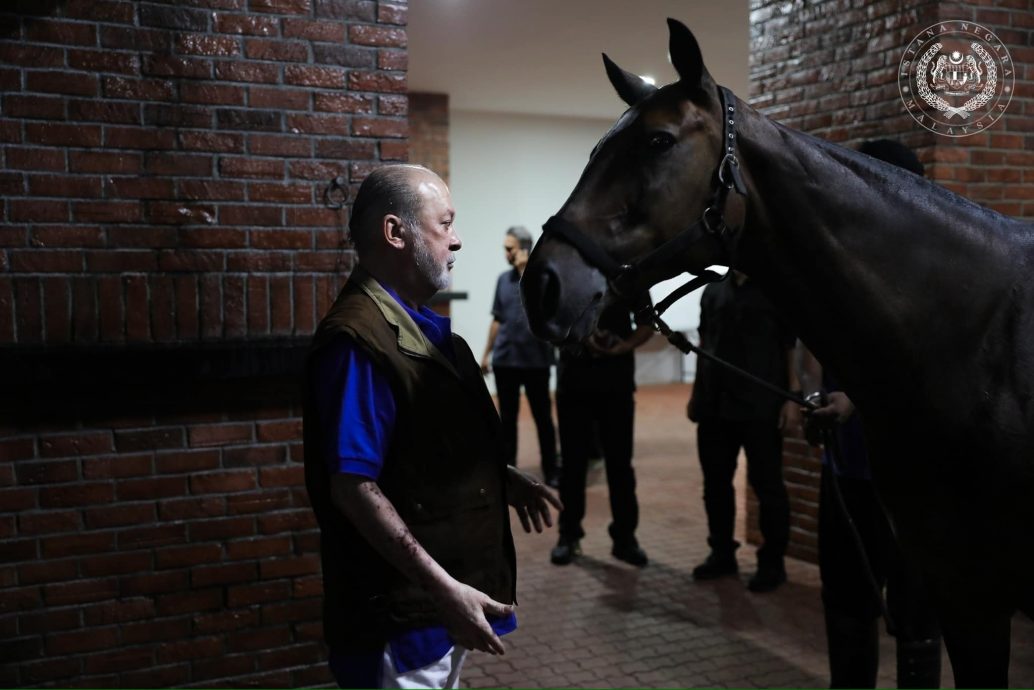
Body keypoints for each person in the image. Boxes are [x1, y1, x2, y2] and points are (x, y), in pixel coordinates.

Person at [302, 164, 562, 689]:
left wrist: (502, 476)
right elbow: (354, 487)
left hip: (434, 611)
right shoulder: (358, 341)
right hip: (401, 623)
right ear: (395, 232)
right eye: (445, 223)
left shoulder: (415, 326)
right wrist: (444, 588)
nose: (458, 239)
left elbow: (422, 448)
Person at [802, 139, 941, 689]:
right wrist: (813, 390)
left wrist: (856, 400)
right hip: (847, 469)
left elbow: (931, 357)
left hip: (914, 478)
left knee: (916, 610)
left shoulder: (931, 264)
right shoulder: (842, 259)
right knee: (846, 602)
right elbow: (812, 339)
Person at [687, 270, 799, 592]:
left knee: (768, 487)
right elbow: (704, 345)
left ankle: (772, 563)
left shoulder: (774, 289)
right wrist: (696, 394)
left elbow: (789, 347)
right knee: (715, 485)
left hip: (760, 406)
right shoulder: (712, 291)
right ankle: (722, 553)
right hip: (714, 406)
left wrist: (792, 399)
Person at [549, 299, 653, 567]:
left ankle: (625, 539)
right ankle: (569, 536)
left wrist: (624, 345)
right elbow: (549, 324)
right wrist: (583, 338)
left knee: (620, 466)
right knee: (573, 466)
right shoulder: (568, 272)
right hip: (574, 385)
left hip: (616, 384)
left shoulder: (629, 274)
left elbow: (647, 324)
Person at [480, 226, 560, 487]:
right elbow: (497, 319)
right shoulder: (503, 280)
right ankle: (509, 472)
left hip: (536, 360)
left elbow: (546, 313)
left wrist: (526, 272)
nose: (505, 253)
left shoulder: (542, 278)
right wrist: (486, 354)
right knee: (508, 421)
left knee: (543, 419)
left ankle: (552, 470)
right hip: (506, 361)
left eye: (510, 248)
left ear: (525, 249)